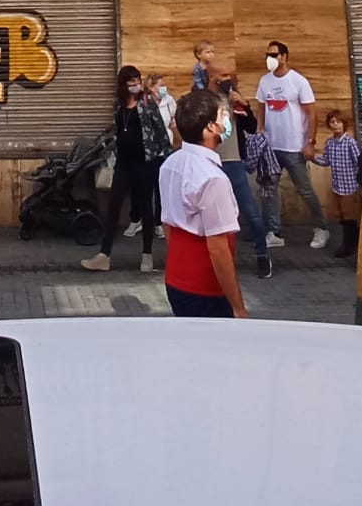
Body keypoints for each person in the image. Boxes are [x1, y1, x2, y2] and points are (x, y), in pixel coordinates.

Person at [158, 88, 247, 319]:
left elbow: (168, 224)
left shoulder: (170, 164)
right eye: (222, 116)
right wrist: (237, 306)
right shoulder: (212, 178)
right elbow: (219, 248)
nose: (226, 120)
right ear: (210, 127)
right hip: (205, 287)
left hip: (176, 278)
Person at [82, 65, 168, 275]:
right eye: (131, 82)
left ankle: (147, 256)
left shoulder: (147, 103)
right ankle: (104, 255)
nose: (135, 85)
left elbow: (161, 133)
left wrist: (161, 159)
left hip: (145, 163)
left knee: (146, 207)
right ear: (123, 84)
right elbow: (119, 130)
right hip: (124, 162)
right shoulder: (118, 104)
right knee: (113, 206)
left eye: (137, 80)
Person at [256, 41, 330, 250]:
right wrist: (260, 130)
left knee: (305, 189)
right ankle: (274, 232)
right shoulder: (264, 81)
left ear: (284, 56)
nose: (270, 58)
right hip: (271, 147)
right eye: (267, 54)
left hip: (294, 146)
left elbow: (311, 112)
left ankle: (321, 228)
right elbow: (261, 106)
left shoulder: (298, 81)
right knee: (269, 190)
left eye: (274, 54)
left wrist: (310, 142)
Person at [207, 56, 272, 279]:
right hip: (210, 162)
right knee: (213, 216)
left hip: (234, 161)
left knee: (251, 211)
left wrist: (243, 105)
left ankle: (262, 255)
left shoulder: (234, 98)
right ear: (212, 76)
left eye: (230, 75)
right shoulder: (203, 99)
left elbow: (253, 128)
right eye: (224, 75)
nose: (228, 79)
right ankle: (217, 261)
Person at [313, 110, 362, 259]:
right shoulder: (330, 143)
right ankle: (352, 242)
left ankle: (349, 245)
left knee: (350, 217)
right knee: (341, 216)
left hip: (350, 186)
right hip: (337, 186)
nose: (335, 125)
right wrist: (312, 158)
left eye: (338, 122)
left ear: (344, 124)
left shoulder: (350, 143)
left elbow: (358, 162)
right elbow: (327, 161)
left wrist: (360, 183)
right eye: (333, 122)